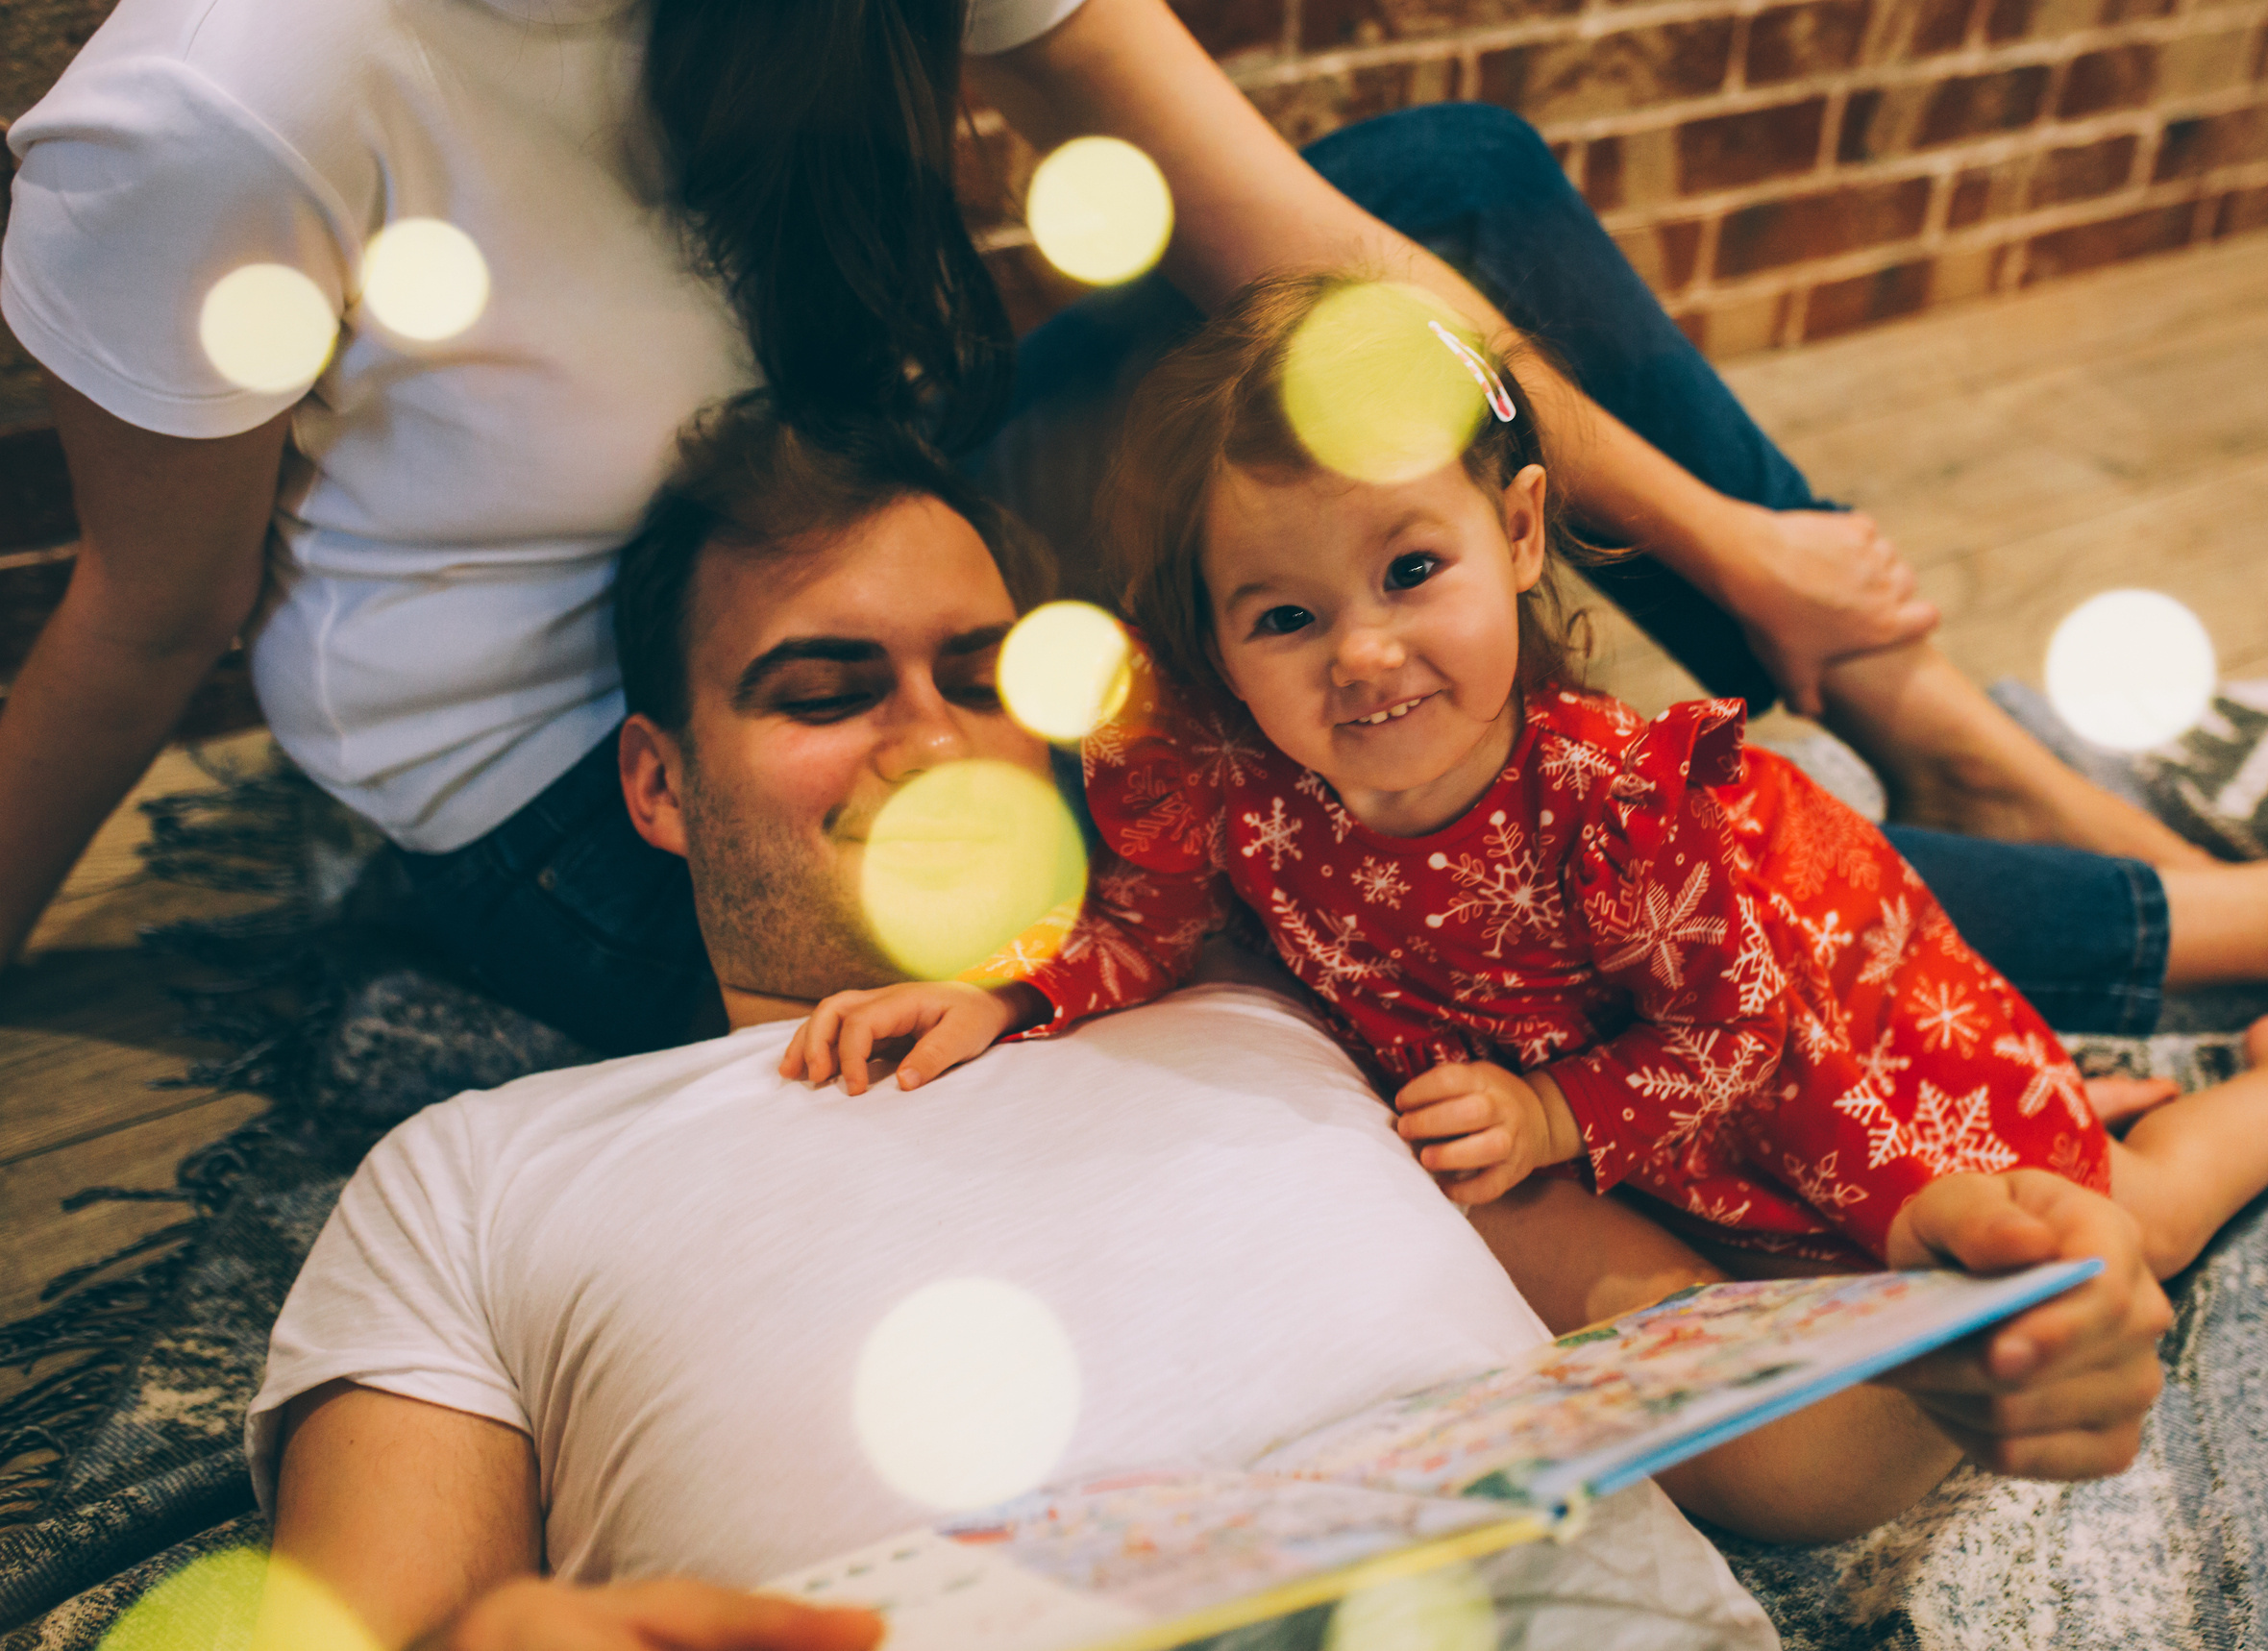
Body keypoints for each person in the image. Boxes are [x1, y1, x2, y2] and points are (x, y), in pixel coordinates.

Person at [23, 0, 2268, 1060]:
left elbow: (1307, 239)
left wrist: (1751, 547)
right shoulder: (225, 113)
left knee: (1447, 191)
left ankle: (1934, 737)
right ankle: (2250, 925)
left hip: (889, 514)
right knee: (1321, 814)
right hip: (605, 751)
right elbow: (148, 622)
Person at [250, 398, 2171, 1651]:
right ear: (658, 788)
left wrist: (1959, 1340)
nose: (930, 740)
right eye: (825, 688)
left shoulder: (1290, 988)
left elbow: (1761, 1445)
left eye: (985, 675)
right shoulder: (485, 1170)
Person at [781, 279, 2268, 1279]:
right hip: (1655, 1140)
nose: (1360, 653)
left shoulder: (1613, 806)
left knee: (2094, 1237)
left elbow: (1740, 1037)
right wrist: (1008, 997)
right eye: (1286, 614)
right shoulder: (1240, 787)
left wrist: (1545, 1113)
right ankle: (2139, 1083)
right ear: (1220, 643)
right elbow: (1144, 926)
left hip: (1819, 1068)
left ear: (1516, 537)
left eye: (1409, 571)